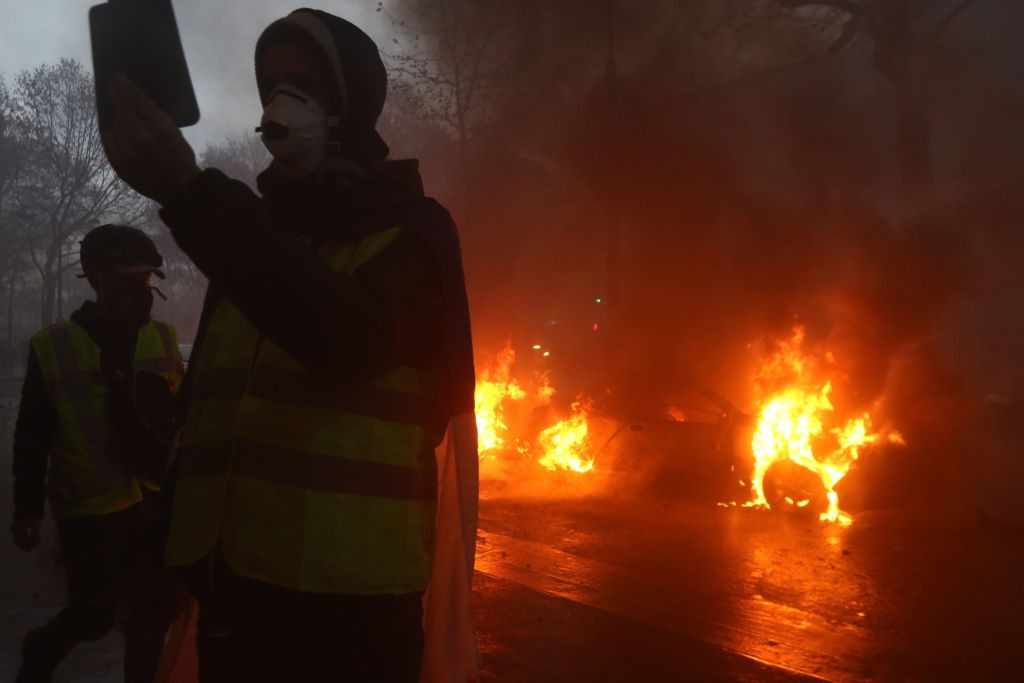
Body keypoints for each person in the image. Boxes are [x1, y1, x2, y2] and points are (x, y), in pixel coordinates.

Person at [101, 8, 479, 682]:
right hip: (231, 594)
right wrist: (163, 542)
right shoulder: (251, 239)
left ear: (352, 103)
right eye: (271, 81)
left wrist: (188, 192)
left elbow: (344, 340)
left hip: (351, 611)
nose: (282, 100)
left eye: (306, 81)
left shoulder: (413, 232)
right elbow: (211, 412)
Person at [11, 224, 184, 683]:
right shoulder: (54, 346)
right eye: (125, 278)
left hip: (152, 499)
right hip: (89, 505)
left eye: (145, 280)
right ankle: (43, 649)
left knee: (151, 614)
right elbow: (32, 431)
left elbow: (182, 419)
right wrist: (26, 506)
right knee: (96, 613)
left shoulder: (164, 340)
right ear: (94, 277)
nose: (138, 290)